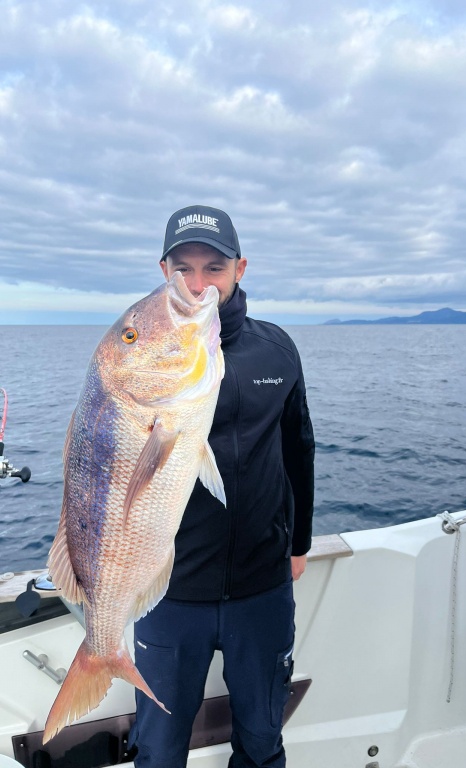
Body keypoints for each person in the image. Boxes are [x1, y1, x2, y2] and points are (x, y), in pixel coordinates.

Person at [130, 204, 315, 768]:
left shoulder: (275, 350)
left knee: (262, 741)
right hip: (170, 590)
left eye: (214, 267)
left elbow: (298, 450)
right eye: (183, 268)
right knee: (158, 750)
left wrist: (298, 545)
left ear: (240, 269)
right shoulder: (142, 353)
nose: (198, 283)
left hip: (261, 586)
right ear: (163, 270)